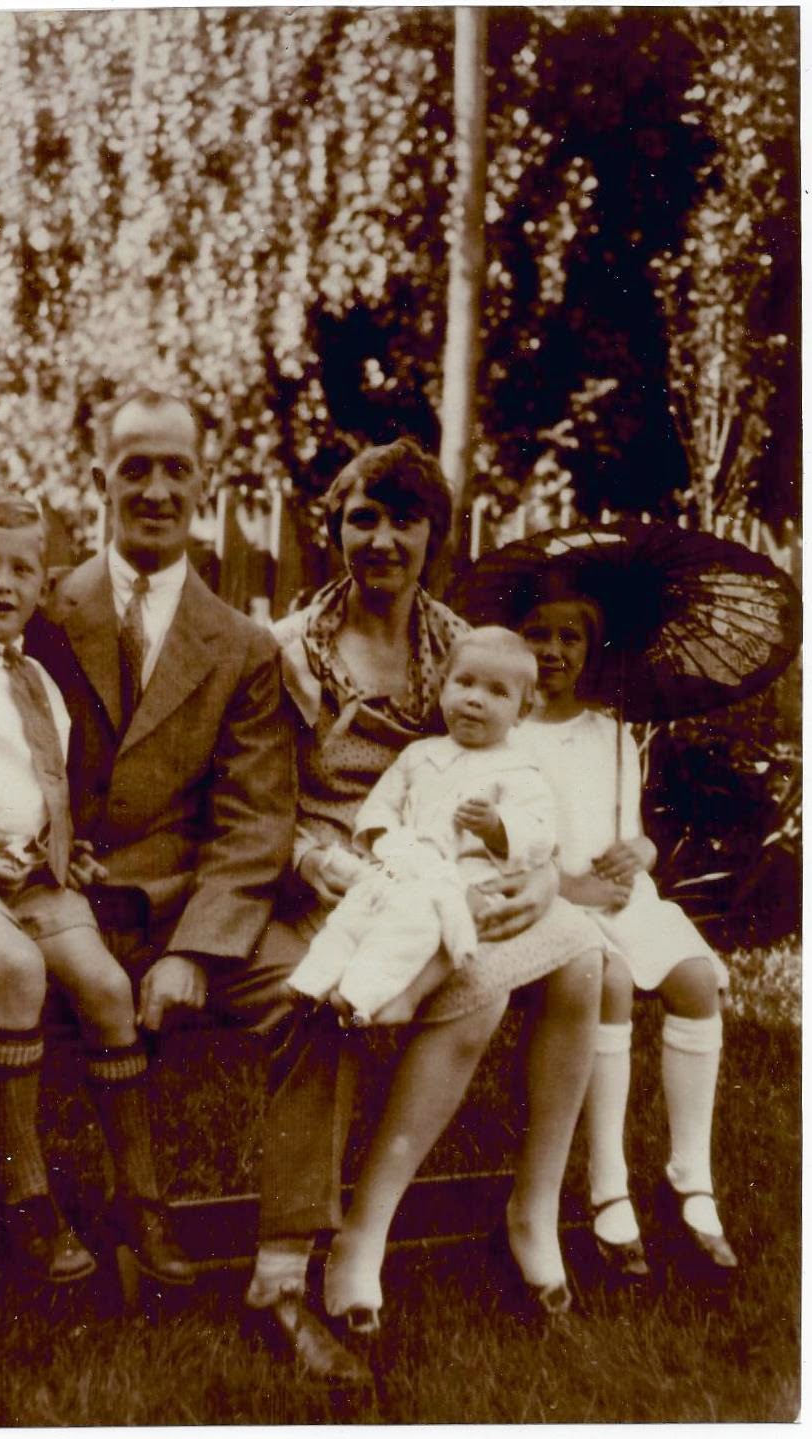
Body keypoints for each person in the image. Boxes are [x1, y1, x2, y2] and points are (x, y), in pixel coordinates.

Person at [0, 389, 296, 1409]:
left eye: (175, 468)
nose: (155, 488)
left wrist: (195, 948)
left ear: (204, 481)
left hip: (166, 916)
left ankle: (287, 1261)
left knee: (309, 990)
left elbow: (254, 821)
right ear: (101, 480)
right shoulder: (31, 601)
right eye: (134, 466)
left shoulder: (242, 644)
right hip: (18, 902)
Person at [245, 440, 603, 1377]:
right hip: (339, 874)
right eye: (363, 518)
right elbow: (254, 797)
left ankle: (533, 1207)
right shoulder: (288, 650)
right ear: (335, 530)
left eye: (405, 520)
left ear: (434, 535)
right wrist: (311, 857)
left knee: (585, 958)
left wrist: (542, 875)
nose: (384, 540)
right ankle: (365, 1230)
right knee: (480, 986)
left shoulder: (461, 644)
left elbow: (520, 775)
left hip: (461, 867)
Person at [518, 587, 738, 1283]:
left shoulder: (612, 735)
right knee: (610, 982)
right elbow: (508, 849)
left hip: (621, 894)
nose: (553, 650)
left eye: (570, 638)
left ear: (591, 650)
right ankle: (608, 1184)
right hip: (553, 899)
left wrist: (641, 851)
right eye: (537, 635)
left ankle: (691, 1176)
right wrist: (571, 886)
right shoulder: (508, 735)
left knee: (695, 980)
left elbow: (631, 833)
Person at [287, 628, 559, 1026]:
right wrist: (385, 839)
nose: (475, 699)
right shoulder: (419, 754)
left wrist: (497, 827)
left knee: (440, 921)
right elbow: (383, 804)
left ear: (522, 711)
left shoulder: (519, 770)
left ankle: (401, 995)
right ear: (442, 689)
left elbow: (539, 831)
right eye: (464, 683)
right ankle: (315, 980)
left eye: (497, 692)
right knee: (363, 910)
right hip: (410, 864)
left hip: (470, 875)